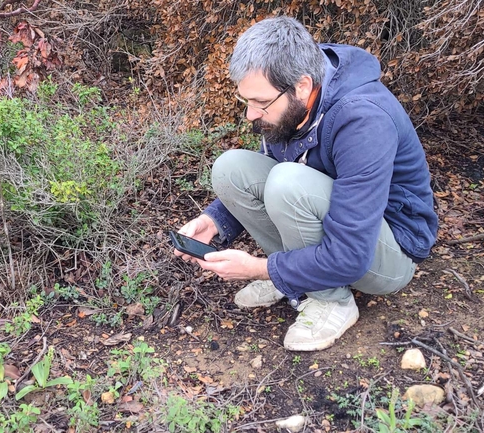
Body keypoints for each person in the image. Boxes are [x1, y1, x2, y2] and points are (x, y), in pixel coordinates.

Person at [173, 16, 438, 352]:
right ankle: (295, 278)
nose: (251, 115)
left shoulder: (363, 119)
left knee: (288, 183)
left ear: (301, 86)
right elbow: (266, 172)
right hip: (337, 220)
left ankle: (331, 302)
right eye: (247, 101)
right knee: (230, 168)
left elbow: (351, 255)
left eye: (260, 103)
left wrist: (259, 269)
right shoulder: (296, 97)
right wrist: (214, 221)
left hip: (390, 250)